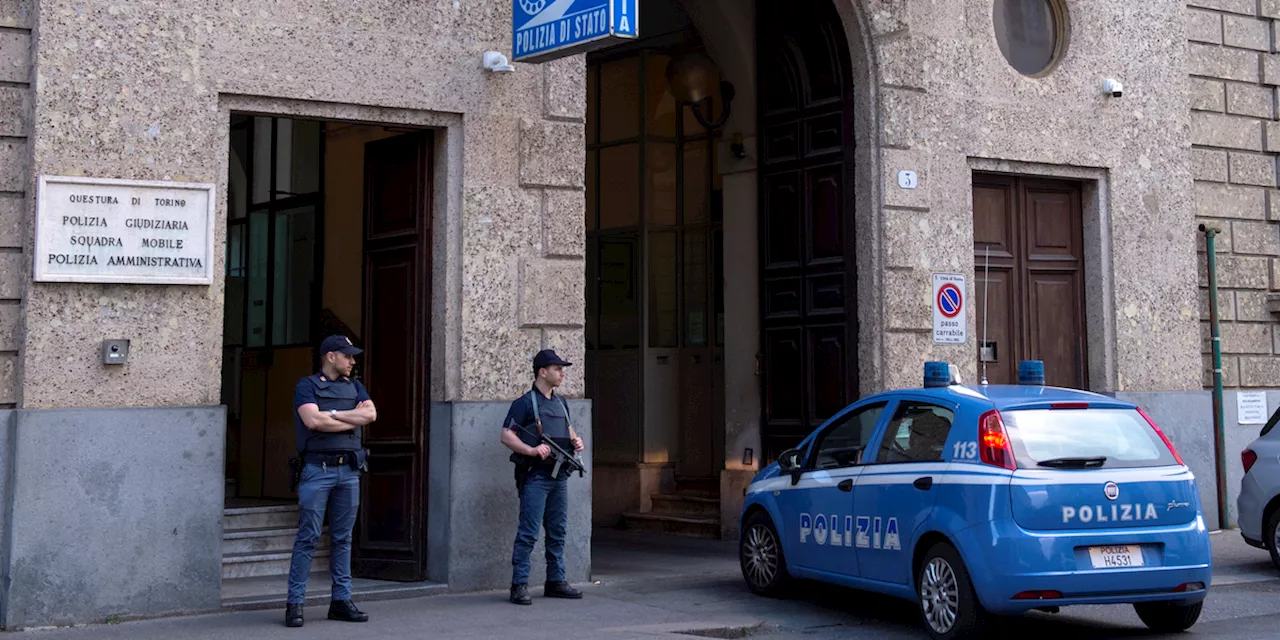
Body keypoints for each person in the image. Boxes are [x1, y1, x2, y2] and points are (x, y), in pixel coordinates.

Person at [284, 335, 377, 628]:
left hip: (349, 471)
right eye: (347, 356)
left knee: (343, 538)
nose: (352, 361)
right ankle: (295, 603)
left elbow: (371, 414)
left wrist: (333, 414)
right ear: (331, 356)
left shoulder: (356, 386)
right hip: (317, 470)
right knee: (308, 537)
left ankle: (341, 601)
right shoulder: (307, 386)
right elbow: (313, 421)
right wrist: (352, 417)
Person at [501, 349, 585, 605]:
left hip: (559, 477)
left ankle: (555, 581)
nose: (562, 373)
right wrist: (532, 450)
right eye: (557, 368)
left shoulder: (560, 403)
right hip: (535, 476)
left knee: (557, 531)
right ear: (542, 371)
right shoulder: (525, 403)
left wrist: (576, 441)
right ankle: (519, 585)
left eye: (562, 368)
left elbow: (568, 428)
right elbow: (506, 435)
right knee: (528, 533)